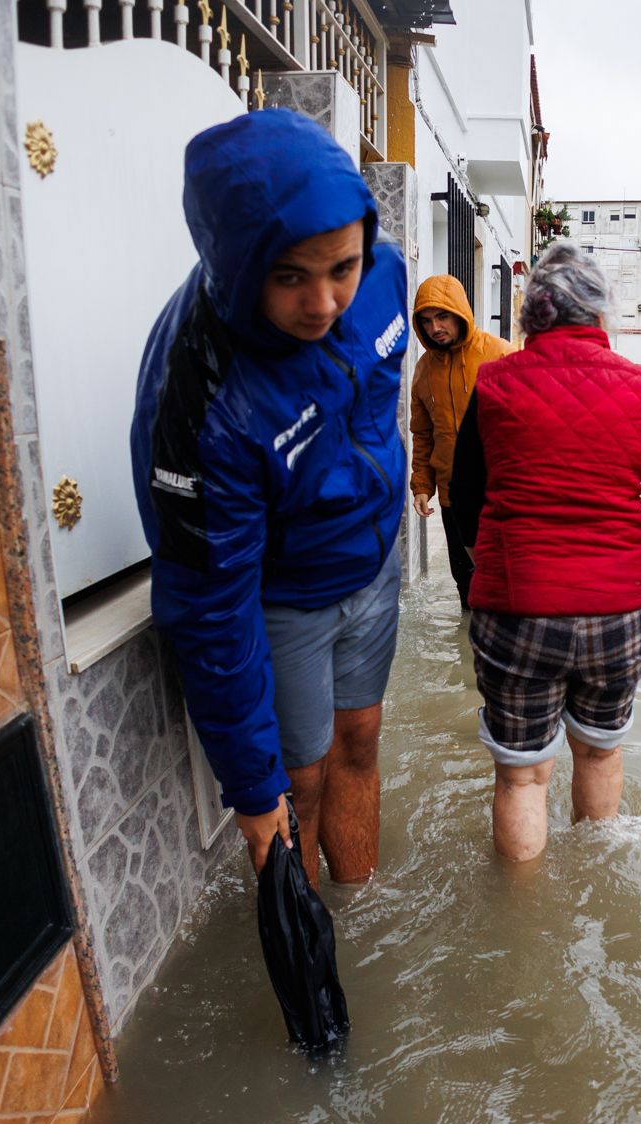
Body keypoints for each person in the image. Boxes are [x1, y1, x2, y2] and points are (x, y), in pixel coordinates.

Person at [130, 109, 409, 889]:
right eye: (290, 276)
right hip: (284, 600)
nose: (323, 303)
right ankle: (319, 946)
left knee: (360, 741)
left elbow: (375, 403)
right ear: (241, 263)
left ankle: (363, 909)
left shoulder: (384, 278)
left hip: (371, 566)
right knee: (301, 783)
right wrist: (252, 790)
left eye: (340, 268)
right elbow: (210, 604)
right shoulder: (204, 402)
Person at [449, 243, 641, 861]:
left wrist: (494, 560)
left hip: (517, 610)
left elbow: (463, 500)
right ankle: (595, 887)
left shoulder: (494, 383)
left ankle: (522, 927)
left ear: (530, 316)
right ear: (599, 315)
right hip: (616, 615)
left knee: (521, 775)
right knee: (598, 752)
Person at [408, 275, 514, 607]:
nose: (434, 327)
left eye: (442, 316)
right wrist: (422, 484)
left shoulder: (500, 355)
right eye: (426, 321)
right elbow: (423, 433)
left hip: (501, 494)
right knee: (466, 585)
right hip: (454, 497)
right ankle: (469, 654)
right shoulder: (424, 369)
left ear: (459, 313)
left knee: (508, 583)